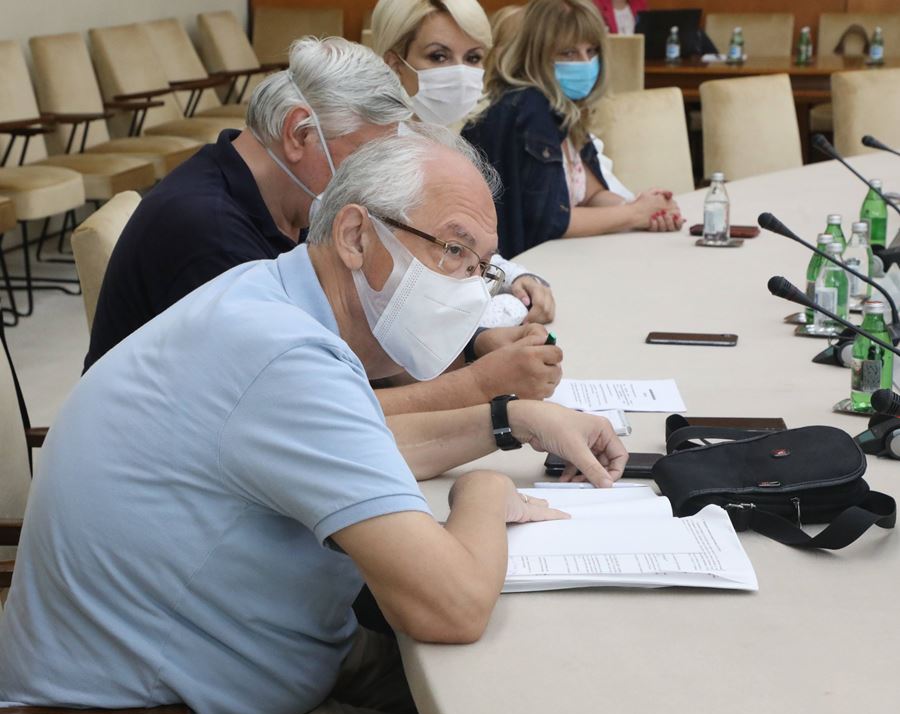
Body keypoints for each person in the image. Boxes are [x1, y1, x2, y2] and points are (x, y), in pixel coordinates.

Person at [0, 127, 628, 714]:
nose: (469, 290)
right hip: (151, 708)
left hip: (242, 653)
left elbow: (352, 446)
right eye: (454, 251)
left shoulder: (270, 292)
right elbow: (450, 607)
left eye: (480, 268)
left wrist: (512, 421)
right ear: (355, 235)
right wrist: (486, 493)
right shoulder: (285, 356)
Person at [84, 36, 562, 414]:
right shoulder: (207, 231)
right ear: (299, 133)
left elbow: (353, 340)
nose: (375, 177)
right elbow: (310, 407)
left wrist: (471, 347)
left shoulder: (290, 201)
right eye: (366, 155)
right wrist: (478, 386)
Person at [372, 0, 555, 326]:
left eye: (472, 58)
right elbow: (400, 290)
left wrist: (513, 277)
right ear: (395, 64)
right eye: (438, 56)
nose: (459, 72)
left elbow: (461, 246)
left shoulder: (446, 140)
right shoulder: (377, 154)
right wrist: (501, 310)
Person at [462, 0, 684, 257]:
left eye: (591, 51)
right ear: (536, 53)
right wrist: (634, 214)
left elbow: (591, 194)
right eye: (568, 53)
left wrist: (650, 208)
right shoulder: (529, 107)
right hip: (520, 266)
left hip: (565, 257)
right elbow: (550, 220)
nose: (584, 62)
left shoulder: (562, 107)